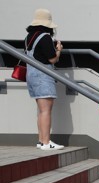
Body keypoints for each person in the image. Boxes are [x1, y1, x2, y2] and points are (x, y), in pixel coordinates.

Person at [26, 8, 64, 150]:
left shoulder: (28, 37)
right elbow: (53, 59)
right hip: (43, 76)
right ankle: (47, 142)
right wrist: (59, 49)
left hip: (31, 75)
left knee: (41, 110)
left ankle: (41, 140)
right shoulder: (45, 37)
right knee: (46, 110)